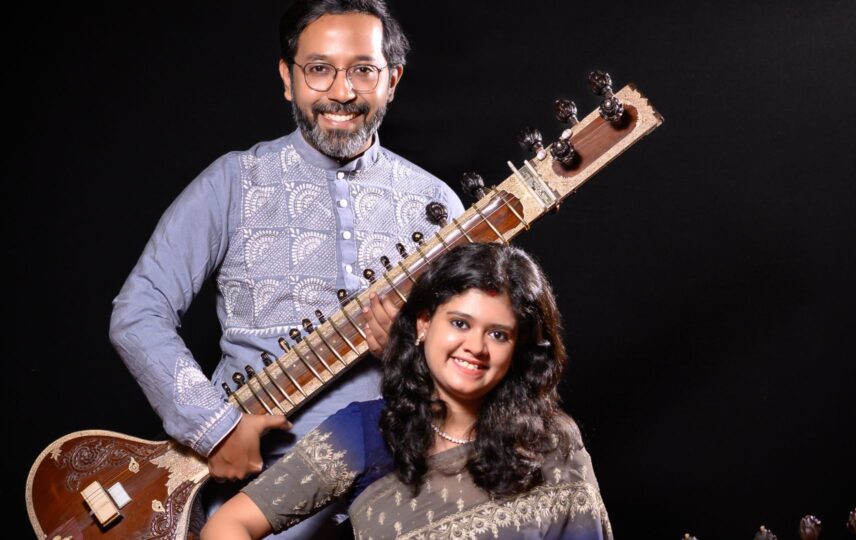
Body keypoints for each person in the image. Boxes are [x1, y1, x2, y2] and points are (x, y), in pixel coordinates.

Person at [108, 0, 463, 537]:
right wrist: (214, 429)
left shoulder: (435, 203)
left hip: (404, 477)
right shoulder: (234, 183)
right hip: (258, 488)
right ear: (287, 78)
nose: (341, 93)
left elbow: (478, 353)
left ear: (392, 79)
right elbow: (138, 311)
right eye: (319, 69)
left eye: (363, 70)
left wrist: (409, 350)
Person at [200, 243, 613, 539]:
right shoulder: (364, 432)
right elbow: (227, 525)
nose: (476, 347)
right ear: (423, 324)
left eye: (498, 334)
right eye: (459, 323)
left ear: (519, 348)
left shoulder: (551, 440)